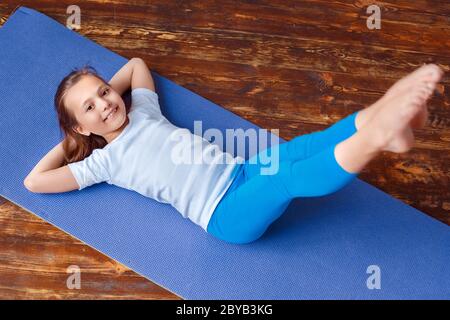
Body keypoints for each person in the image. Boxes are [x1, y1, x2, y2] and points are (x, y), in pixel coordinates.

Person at [23, 59, 444, 244]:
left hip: (239, 170)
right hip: (223, 215)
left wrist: (102, 97)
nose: (107, 103)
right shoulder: (103, 163)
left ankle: (374, 117)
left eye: (103, 92)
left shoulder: (143, 110)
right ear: (81, 125)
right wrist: (75, 139)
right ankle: (376, 138)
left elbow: (135, 64)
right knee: (286, 180)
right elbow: (33, 182)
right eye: (91, 107)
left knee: (301, 148)